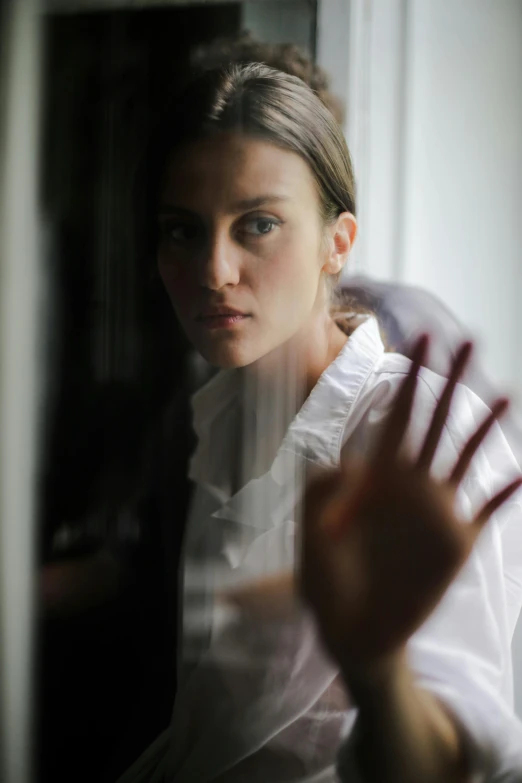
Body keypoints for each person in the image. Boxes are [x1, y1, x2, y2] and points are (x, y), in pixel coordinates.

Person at [117, 63, 522, 782]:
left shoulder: (413, 428)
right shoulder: (221, 419)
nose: (214, 270)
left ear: (339, 241)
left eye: (259, 224)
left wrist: (376, 667)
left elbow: (457, 763)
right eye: (182, 230)